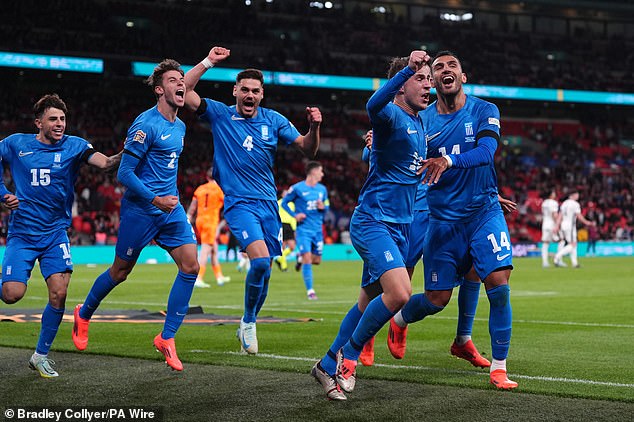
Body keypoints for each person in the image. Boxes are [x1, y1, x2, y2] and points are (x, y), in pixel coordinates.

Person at [388, 51, 518, 390]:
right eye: (438, 67)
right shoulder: (422, 119)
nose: (446, 70)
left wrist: (447, 160)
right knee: (436, 299)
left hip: (482, 212)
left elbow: (487, 153)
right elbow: (401, 154)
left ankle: (500, 367)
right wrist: (372, 146)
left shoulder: (484, 110)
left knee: (499, 284)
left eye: (452, 66)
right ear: (432, 80)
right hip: (441, 220)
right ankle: (399, 320)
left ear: (463, 76)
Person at [183, 46, 321, 355]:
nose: (249, 94)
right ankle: (247, 321)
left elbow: (307, 150)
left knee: (266, 268)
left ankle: (250, 320)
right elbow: (184, 90)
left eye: (255, 91)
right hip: (238, 203)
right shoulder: (220, 114)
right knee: (259, 261)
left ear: (261, 95)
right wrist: (207, 62)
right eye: (244, 89)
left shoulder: (273, 120)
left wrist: (314, 127)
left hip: (268, 205)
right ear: (235, 91)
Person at [311, 51, 431, 400]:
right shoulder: (391, 113)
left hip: (403, 227)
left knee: (367, 302)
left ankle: (325, 363)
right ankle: (349, 356)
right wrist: (407, 67)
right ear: (401, 86)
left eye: (428, 79)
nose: (428, 85)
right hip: (374, 220)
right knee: (400, 293)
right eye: (420, 79)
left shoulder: (420, 121)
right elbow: (372, 105)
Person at [72, 59, 199, 372]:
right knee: (119, 272)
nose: (180, 84)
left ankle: (166, 338)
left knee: (191, 266)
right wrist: (155, 199)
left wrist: (166, 201)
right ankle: (84, 313)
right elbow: (124, 174)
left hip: (170, 209)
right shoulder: (145, 124)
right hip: (142, 209)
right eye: (172, 80)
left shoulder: (181, 126)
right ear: (159, 90)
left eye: (181, 79)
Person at [358, 130, 515, 368]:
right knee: (397, 282)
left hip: (446, 210)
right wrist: (373, 144)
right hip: (410, 211)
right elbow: (371, 156)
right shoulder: (399, 120)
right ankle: (366, 337)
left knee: (474, 267)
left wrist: (490, 196)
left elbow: (457, 160)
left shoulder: (438, 122)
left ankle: (463, 338)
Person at [0, 93, 121, 377]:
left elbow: (105, 163)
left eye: (63, 119)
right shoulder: (17, 144)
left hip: (56, 233)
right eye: (53, 119)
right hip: (23, 234)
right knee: (12, 294)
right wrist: (3, 193)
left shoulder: (75, 146)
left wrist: (129, 150)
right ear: (38, 122)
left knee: (60, 293)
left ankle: (40, 355)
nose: (59, 124)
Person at [281, 161, 329, 300]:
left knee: (317, 260)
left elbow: (327, 206)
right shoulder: (297, 188)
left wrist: (323, 207)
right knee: (308, 258)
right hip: (303, 230)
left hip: (317, 230)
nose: (322, 174)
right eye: (321, 171)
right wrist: (295, 215)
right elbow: (284, 203)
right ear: (313, 172)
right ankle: (310, 291)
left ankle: (299, 258)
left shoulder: (322, 190)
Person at [186, 166, 231, 287]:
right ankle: (198, 278)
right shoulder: (218, 189)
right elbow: (227, 205)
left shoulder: (200, 189)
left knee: (214, 249)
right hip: (210, 221)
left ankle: (219, 276)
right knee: (206, 250)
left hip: (200, 220)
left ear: (206, 177)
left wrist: (189, 217)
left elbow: (193, 206)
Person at [553, 190, 595, 268]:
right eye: (576, 195)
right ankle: (557, 256)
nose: (578, 196)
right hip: (570, 226)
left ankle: (575, 263)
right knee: (573, 244)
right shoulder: (575, 204)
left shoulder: (564, 203)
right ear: (572, 195)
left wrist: (556, 226)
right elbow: (579, 216)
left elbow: (560, 215)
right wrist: (587, 222)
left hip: (563, 225)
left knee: (572, 244)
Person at [274, 190, 297, 272]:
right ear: (282, 194)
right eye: (285, 193)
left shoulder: (292, 204)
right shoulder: (278, 203)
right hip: (281, 225)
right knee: (282, 247)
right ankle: (284, 267)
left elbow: (293, 217)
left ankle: (279, 260)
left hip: (289, 226)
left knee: (292, 246)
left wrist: (294, 228)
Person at [541, 189, 560, 268]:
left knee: (545, 243)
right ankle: (558, 260)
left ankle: (545, 262)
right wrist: (557, 224)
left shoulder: (544, 203)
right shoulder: (554, 203)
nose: (555, 194)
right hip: (552, 224)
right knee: (561, 240)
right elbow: (554, 214)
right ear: (551, 194)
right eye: (554, 193)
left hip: (545, 224)